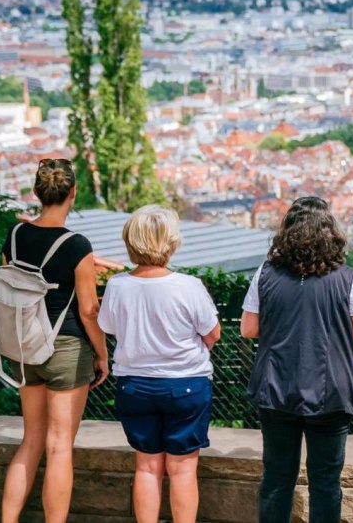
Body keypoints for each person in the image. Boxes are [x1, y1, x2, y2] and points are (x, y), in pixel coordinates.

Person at [240, 196, 353, 523]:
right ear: (330, 231)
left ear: (286, 231)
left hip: (277, 389)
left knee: (276, 480)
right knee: (326, 482)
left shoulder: (266, 273)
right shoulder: (347, 278)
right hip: (330, 393)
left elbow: (248, 328)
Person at [0, 158, 109, 523]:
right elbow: (89, 310)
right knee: (59, 446)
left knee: (30, 441)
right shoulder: (77, 245)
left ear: (37, 193)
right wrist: (102, 354)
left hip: (24, 345)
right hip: (66, 347)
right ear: (73, 193)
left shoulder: (14, 237)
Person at [98, 205, 222, 523]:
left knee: (147, 465)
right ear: (171, 242)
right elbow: (213, 334)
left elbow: (109, 327)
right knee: (182, 469)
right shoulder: (188, 286)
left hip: (134, 384)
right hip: (186, 384)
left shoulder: (116, 285)